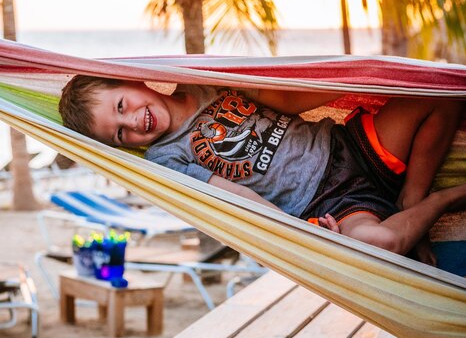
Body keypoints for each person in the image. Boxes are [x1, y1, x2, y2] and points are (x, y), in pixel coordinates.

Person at [58, 75, 466, 263]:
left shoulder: (206, 81)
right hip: (330, 204)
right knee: (377, 243)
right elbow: (235, 194)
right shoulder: (166, 157)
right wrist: (299, 234)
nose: (133, 124)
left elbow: (288, 100)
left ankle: (411, 199)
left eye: (121, 107)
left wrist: (355, 75)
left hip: (351, 147)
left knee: (441, 96)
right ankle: (442, 199)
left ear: (130, 80)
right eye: (119, 135)